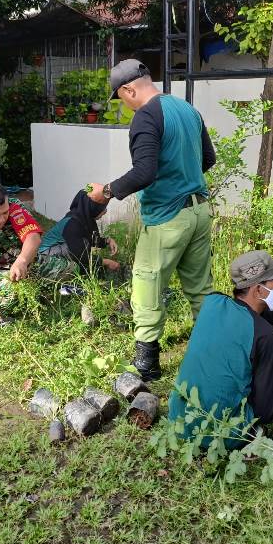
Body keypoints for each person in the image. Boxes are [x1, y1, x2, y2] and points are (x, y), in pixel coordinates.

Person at [88, 59, 217, 381]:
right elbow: (209, 159)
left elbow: (144, 172)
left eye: (122, 97)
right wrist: (182, 178)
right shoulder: (187, 110)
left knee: (146, 283)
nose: (125, 105)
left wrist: (105, 192)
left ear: (129, 88)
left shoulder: (146, 116)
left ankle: (147, 362)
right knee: (200, 286)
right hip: (199, 211)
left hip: (168, 218)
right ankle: (214, 350)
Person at [167, 250, 273, 449]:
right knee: (259, 415)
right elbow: (267, 411)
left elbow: (257, 315)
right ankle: (248, 440)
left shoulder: (213, 302)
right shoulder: (270, 340)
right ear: (258, 290)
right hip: (216, 435)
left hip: (179, 420)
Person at [0, 183, 116, 321]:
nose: (2, 219)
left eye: (4, 213)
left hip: (25, 264)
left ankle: (51, 290)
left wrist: (22, 260)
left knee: (69, 269)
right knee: (12, 291)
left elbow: (32, 236)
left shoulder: (15, 207)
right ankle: (28, 296)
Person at [39, 188, 121, 285]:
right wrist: (106, 262)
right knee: (76, 265)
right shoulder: (72, 223)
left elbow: (91, 238)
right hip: (45, 257)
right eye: (102, 208)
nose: (105, 211)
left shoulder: (83, 218)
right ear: (91, 207)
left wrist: (108, 241)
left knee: (84, 248)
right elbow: (79, 254)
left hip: (61, 250)